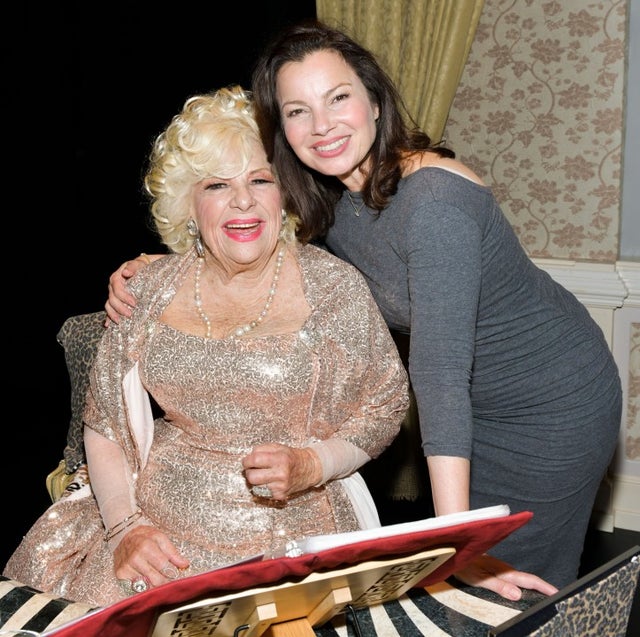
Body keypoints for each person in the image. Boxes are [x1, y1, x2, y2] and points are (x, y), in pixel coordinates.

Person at [104, 20, 622, 599]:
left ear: (375, 102)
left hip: (550, 403)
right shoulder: (337, 196)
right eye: (298, 111)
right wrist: (164, 263)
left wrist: (450, 549)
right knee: (476, 582)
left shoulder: (434, 204)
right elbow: (273, 259)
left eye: (338, 98)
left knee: (515, 582)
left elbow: (441, 378)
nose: (321, 126)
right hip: (476, 403)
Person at [3, 85, 410, 607]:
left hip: (291, 530)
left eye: (261, 180)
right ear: (189, 205)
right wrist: (125, 526)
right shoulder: (147, 290)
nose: (243, 200)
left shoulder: (333, 288)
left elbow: (384, 406)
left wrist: (313, 464)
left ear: (284, 193)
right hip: (155, 528)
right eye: (217, 184)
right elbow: (103, 422)